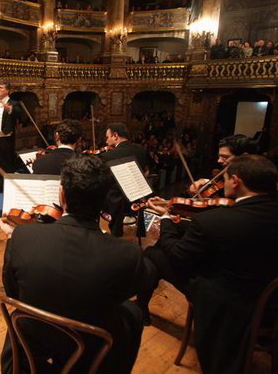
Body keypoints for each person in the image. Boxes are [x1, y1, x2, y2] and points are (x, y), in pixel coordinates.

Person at [0, 156, 145, 373]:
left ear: (62, 195)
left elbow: (13, 292)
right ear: (105, 200)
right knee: (132, 314)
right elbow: (122, 295)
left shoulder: (21, 236)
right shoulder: (127, 254)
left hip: (32, 345)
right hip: (88, 346)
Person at [138, 155, 278, 374]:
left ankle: (141, 309)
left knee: (153, 253)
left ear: (236, 181)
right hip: (269, 299)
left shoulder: (214, 222)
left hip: (225, 300)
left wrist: (166, 220)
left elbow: (178, 256)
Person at [99, 122, 147, 237]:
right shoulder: (141, 150)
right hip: (138, 198)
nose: (106, 142)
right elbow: (147, 171)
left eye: (107, 137)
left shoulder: (108, 156)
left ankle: (110, 231)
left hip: (118, 202)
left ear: (115, 136)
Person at [188, 134, 253, 196]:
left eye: (225, 157)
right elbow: (220, 182)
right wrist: (203, 181)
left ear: (244, 157)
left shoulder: (251, 180)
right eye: (219, 156)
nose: (219, 160)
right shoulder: (227, 172)